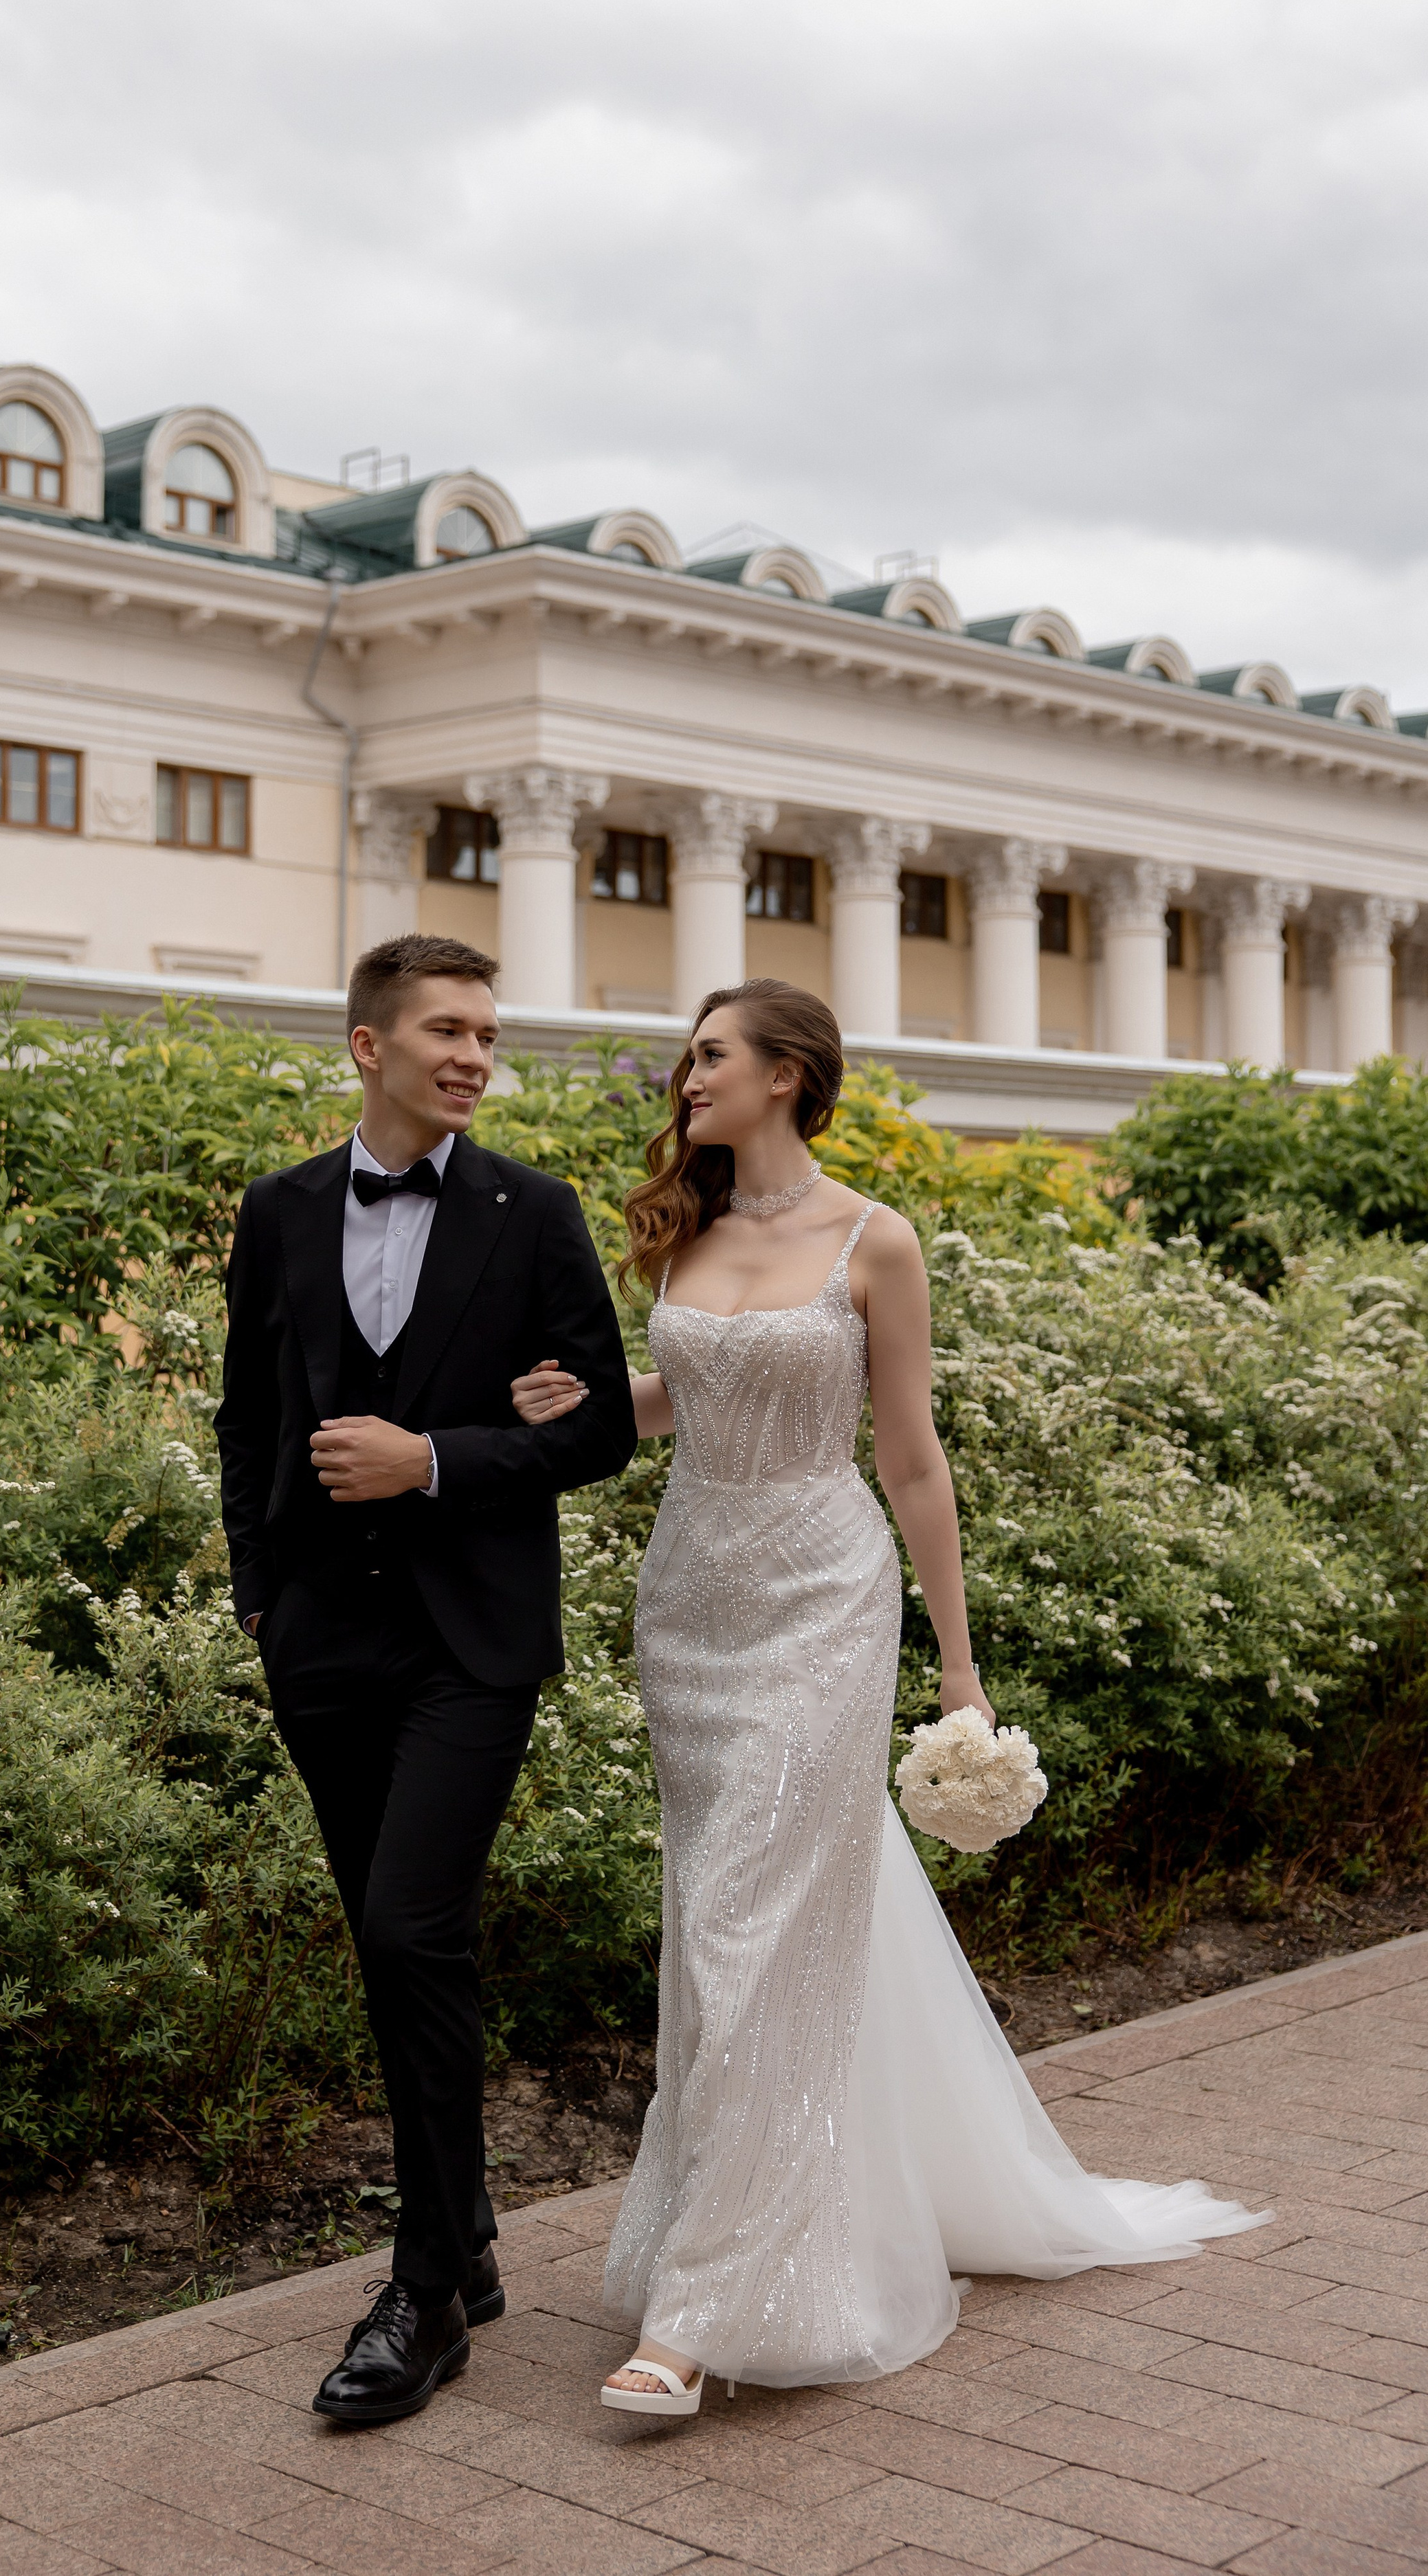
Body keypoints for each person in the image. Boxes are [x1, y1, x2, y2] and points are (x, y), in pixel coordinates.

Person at [510, 978, 1264, 2418]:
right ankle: (749, 2222)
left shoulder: (874, 1239)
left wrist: (959, 1667)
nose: (685, 1075)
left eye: (711, 1054)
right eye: (688, 1055)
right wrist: (595, 1397)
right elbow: (690, 1388)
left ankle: (697, 2309)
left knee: (749, 1922)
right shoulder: (688, 1229)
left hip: (819, 1598)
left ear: (788, 1075)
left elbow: (910, 1459)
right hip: (688, 1602)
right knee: (718, 1921)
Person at [216, 932, 636, 2427]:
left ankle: (424, 2294)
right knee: (402, 1953)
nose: (472, 1054)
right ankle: (462, 2240)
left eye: (486, 1034)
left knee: (410, 1928)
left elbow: (597, 1431)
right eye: (445, 1029)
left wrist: (437, 1459)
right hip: (323, 1643)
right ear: (366, 1046)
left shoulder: (536, 1213)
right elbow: (244, 1416)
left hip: (472, 1639)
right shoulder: (275, 1213)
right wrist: (258, 1594)